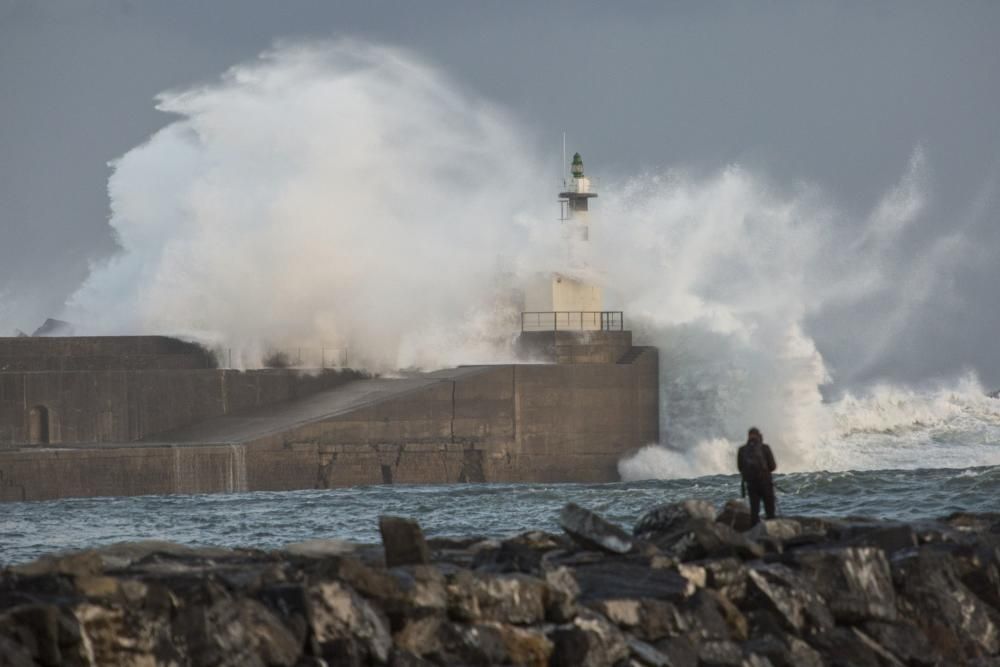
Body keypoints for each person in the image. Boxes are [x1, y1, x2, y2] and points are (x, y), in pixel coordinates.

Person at [737, 427, 777, 525]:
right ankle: (771, 534)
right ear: (759, 435)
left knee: (754, 511)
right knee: (770, 511)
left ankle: (753, 535)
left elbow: (740, 468)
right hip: (766, 483)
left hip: (751, 484)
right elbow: (773, 466)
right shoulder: (765, 448)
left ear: (748, 436)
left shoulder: (742, 450)